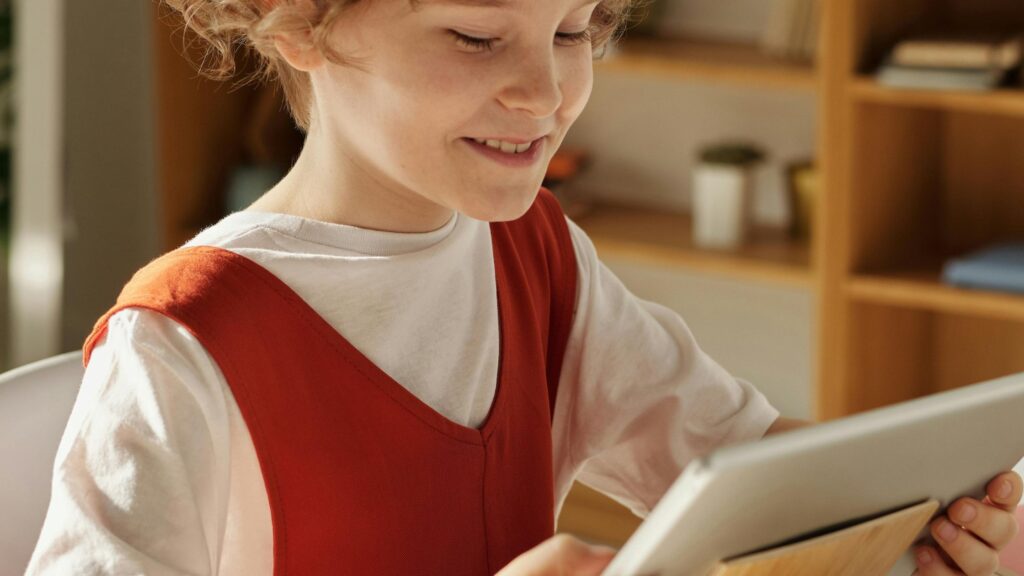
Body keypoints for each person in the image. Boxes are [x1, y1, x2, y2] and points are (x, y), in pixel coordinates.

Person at [25, 0, 1021, 574]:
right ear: (299, 24)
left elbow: (754, 472)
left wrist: (939, 520)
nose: (545, 95)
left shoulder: (532, 254)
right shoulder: (184, 341)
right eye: (475, 35)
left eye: (574, 27)